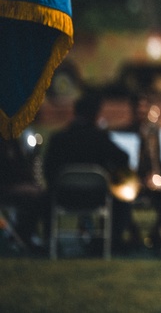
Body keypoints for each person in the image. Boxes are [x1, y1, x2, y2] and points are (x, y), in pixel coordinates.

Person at [43, 93, 133, 253]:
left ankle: (49, 243)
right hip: (96, 197)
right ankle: (110, 243)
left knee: (44, 196)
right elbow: (123, 158)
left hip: (64, 196)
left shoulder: (58, 139)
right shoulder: (100, 138)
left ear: (75, 112)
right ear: (96, 114)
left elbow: (48, 171)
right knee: (121, 199)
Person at [121, 93, 161, 255]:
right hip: (131, 182)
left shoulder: (156, 133)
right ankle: (133, 233)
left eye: (144, 106)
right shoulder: (124, 132)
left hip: (151, 181)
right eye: (137, 107)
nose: (141, 110)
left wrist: (160, 176)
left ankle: (158, 232)